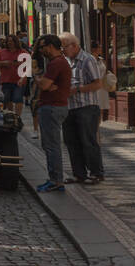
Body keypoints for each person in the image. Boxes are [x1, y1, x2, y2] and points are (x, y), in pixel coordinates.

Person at [60, 34, 104, 185]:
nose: (62, 51)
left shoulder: (87, 60)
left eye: (63, 47)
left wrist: (78, 89)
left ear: (73, 45)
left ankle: (96, 173)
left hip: (87, 107)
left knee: (88, 141)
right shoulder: (67, 61)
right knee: (71, 141)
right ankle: (79, 174)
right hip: (70, 107)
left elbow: (98, 84)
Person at [34, 35, 71, 192]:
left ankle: (56, 181)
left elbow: (44, 84)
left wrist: (38, 77)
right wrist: (45, 84)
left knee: (52, 146)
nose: (41, 50)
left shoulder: (56, 63)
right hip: (55, 106)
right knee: (49, 145)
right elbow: (47, 85)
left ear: (50, 46)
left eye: (43, 47)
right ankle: (54, 179)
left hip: (52, 108)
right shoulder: (58, 62)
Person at [0, 35, 24, 125]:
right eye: (8, 41)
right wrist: (4, 63)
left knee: (18, 98)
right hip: (6, 79)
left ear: (16, 42)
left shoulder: (23, 52)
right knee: (8, 99)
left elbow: (29, 66)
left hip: (19, 80)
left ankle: (18, 118)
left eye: (11, 41)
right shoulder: (2, 52)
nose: (10, 43)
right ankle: (11, 116)